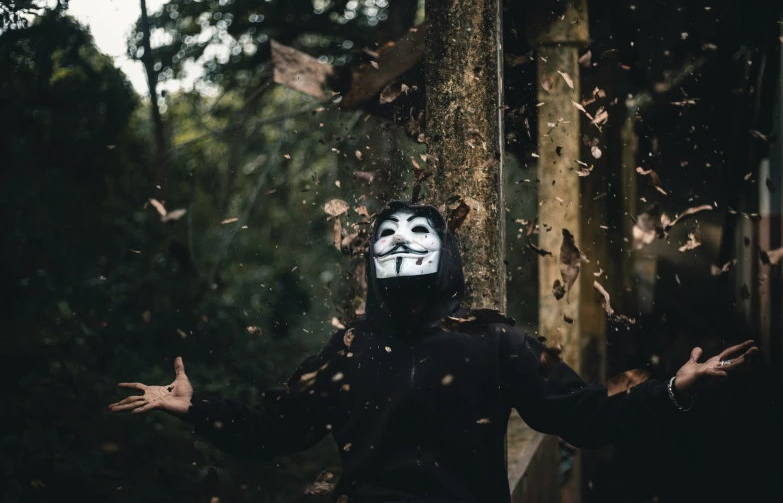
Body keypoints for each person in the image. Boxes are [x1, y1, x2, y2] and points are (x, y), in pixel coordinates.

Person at [109, 200, 757, 503]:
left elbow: (581, 414)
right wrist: (197, 409)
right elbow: (272, 429)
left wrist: (674, 389)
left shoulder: (486, 338)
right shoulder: (358, 350)